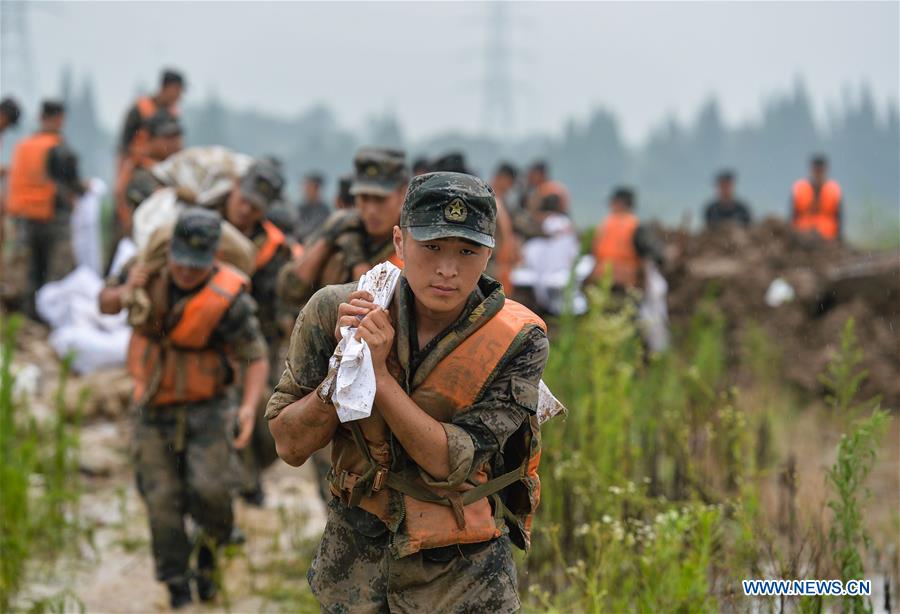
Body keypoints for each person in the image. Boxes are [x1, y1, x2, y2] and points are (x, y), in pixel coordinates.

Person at [266, 171, 549, 612]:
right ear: (399, 243)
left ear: (489, 253)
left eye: (467, 251)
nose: (447, 269)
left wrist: (377, 376)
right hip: (356, 566)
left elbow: (450, 462)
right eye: (431, 247)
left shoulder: (518, 340)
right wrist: (345, 368)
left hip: (463, 575)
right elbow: (289, 443)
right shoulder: (334, 310)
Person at [98, 208, 269, 608]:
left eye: (197, 265)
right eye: (180, 261)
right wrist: (124, 293)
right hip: (152, 407)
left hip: (208, 408)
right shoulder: (143, 270)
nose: (186, 272)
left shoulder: (228, 299)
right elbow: (104, 303)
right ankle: (176, 585)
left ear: (212, 258)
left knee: (212, 491)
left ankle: (208, 559)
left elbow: (255, 356)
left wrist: (247, 408)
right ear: (169, 250)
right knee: (161, 500)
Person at [221, 160, 295, 504]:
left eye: (255, 206)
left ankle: (249, 476)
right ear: (235, 186)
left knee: (264, 415)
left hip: (256, 343)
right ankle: (243, 482)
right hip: (209, 340)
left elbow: (280, 303)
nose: (245, 209)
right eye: (243, 199)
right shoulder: (208, 225)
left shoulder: (272, 248)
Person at [276, 147, 407, 311]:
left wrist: (356, 257)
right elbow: (290, 291)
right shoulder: (344, 228)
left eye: (380, 200)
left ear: (402, 194)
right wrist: (328, 238)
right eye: (364, 198)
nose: (371, 210)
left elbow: (376, 308)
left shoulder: (409, 241)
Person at [5, 100, 84, 315]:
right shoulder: (58, 148)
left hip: (23, 217)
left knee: (28, 272)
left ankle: (25, 315)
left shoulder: (23, 146)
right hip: (52, 217)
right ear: (60, 118)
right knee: (54, 274)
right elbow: (71, 183)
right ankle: (46, 317)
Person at [116, 111, 185, 236]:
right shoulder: (140, 173)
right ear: (149, 140)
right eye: (168, 137)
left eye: (177, 136)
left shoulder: (179, 170)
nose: (175, 142)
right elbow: (163, 200)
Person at [590, 187, 664, 289]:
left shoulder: (603, 225)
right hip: (624, 285)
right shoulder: (634, 225)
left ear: (621, 203)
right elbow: (657, 255)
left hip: (601, 285)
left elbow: (591, 251)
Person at [118, 69, 186, 166]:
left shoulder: (173, 114)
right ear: (167, 88)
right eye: (178, 90)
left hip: (166, 165)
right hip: (140, 165)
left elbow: (178, 144)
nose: (180, 96)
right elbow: (125, 144)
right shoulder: (140, 109)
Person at [791, 154, 842, 241]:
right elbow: (793, 215)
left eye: (820, 170)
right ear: (811, 170)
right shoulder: (800, 189)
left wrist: (839, 239)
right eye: (816, 170)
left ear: (825, 170)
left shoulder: (833, 190)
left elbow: (839, 217)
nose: (818, 173)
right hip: (802, 238)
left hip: (828, 238)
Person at [489, 162, 520, 294]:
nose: (510, 187)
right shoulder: (488, 201)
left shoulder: (504, 203)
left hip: (502, 264)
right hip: (491, 263)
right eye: (510, 182)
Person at [295, 172, 330, 244]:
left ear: (317, 188)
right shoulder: (300, 207)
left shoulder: (324, 211)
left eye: (309, 187)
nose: (306, 190)